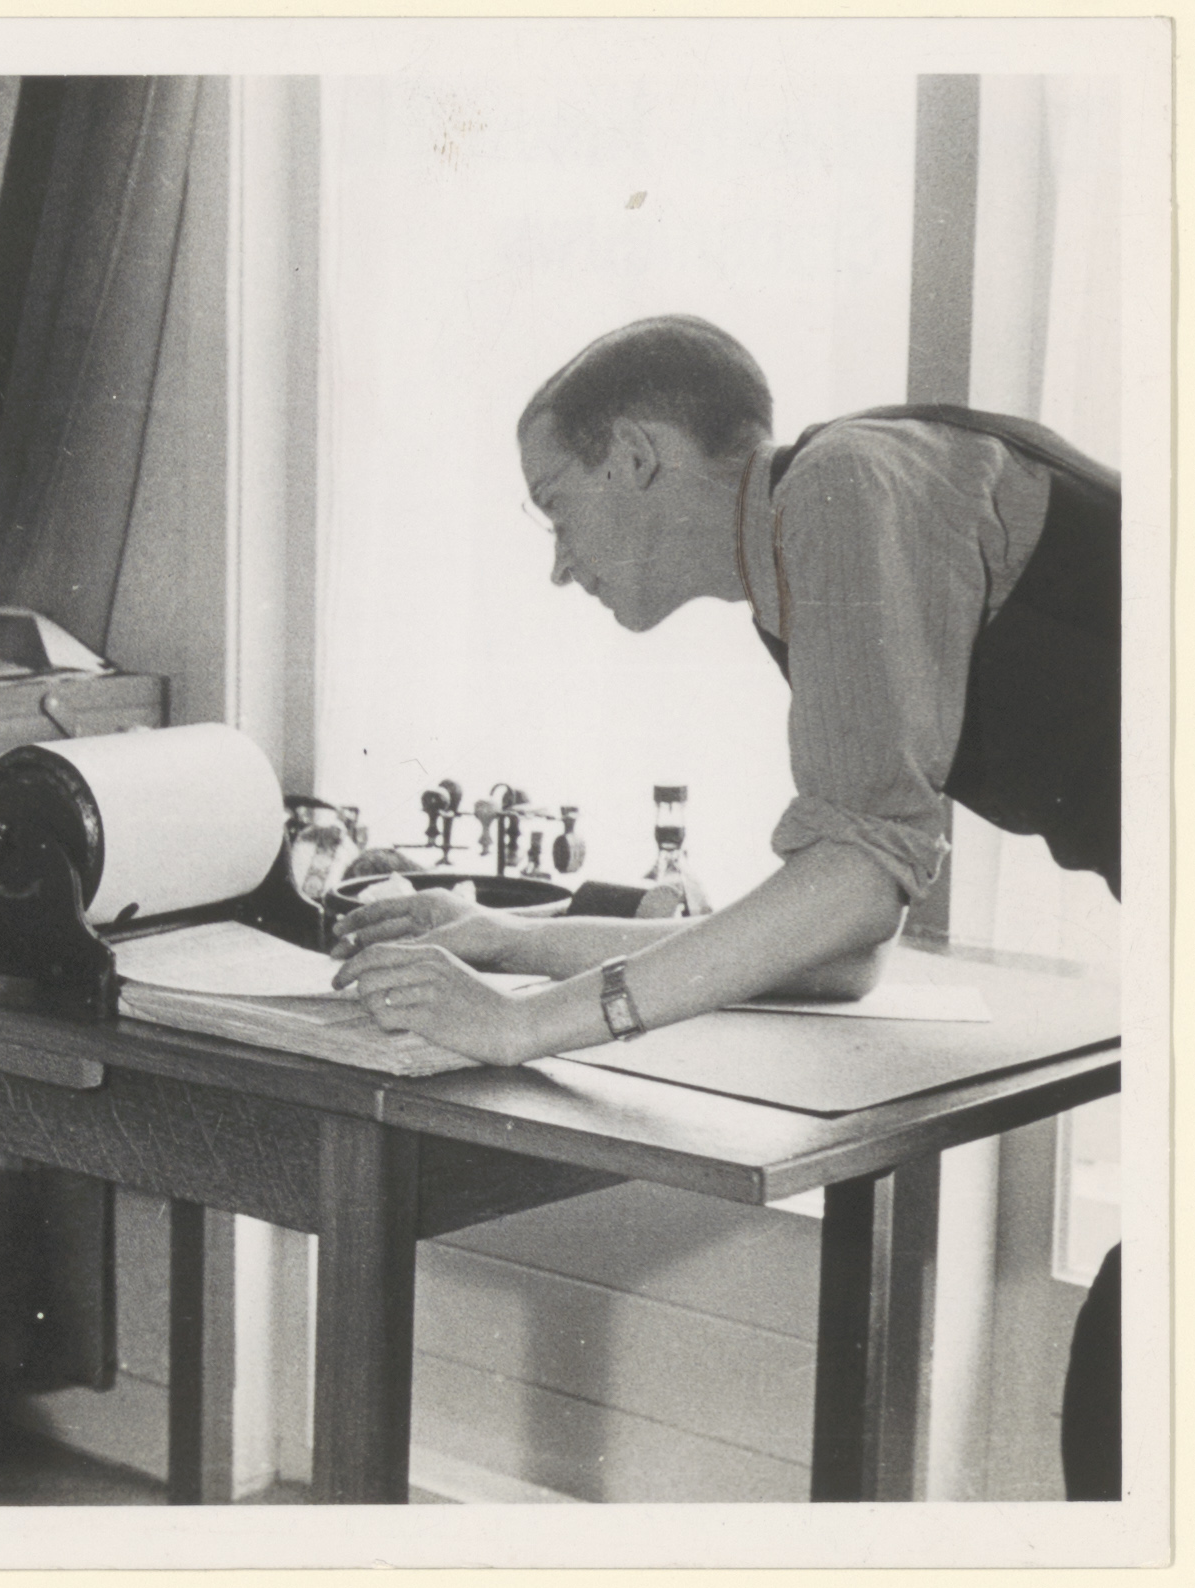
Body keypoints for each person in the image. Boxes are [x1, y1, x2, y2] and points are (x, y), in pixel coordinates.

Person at [330, 313, 1120, 1499]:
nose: (559, 565)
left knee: (1130, 1373)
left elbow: (850, 877)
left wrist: (517, 1026)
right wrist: (506, 940)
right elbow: (842, 942)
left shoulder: (844, 486)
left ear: (635, 455)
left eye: (555, 509)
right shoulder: (799, 563)